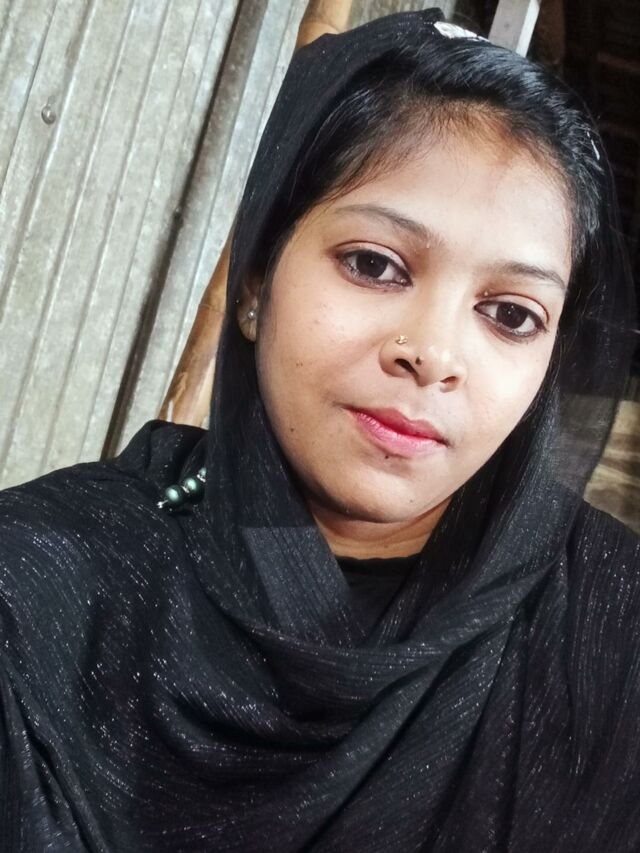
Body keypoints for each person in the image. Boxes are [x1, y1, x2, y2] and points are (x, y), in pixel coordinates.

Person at [0, 7, 638, 851]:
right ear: (256, 278)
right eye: (375, 264)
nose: (433, 353)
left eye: (511, 314)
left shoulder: (612, 635)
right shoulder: (43, 589)